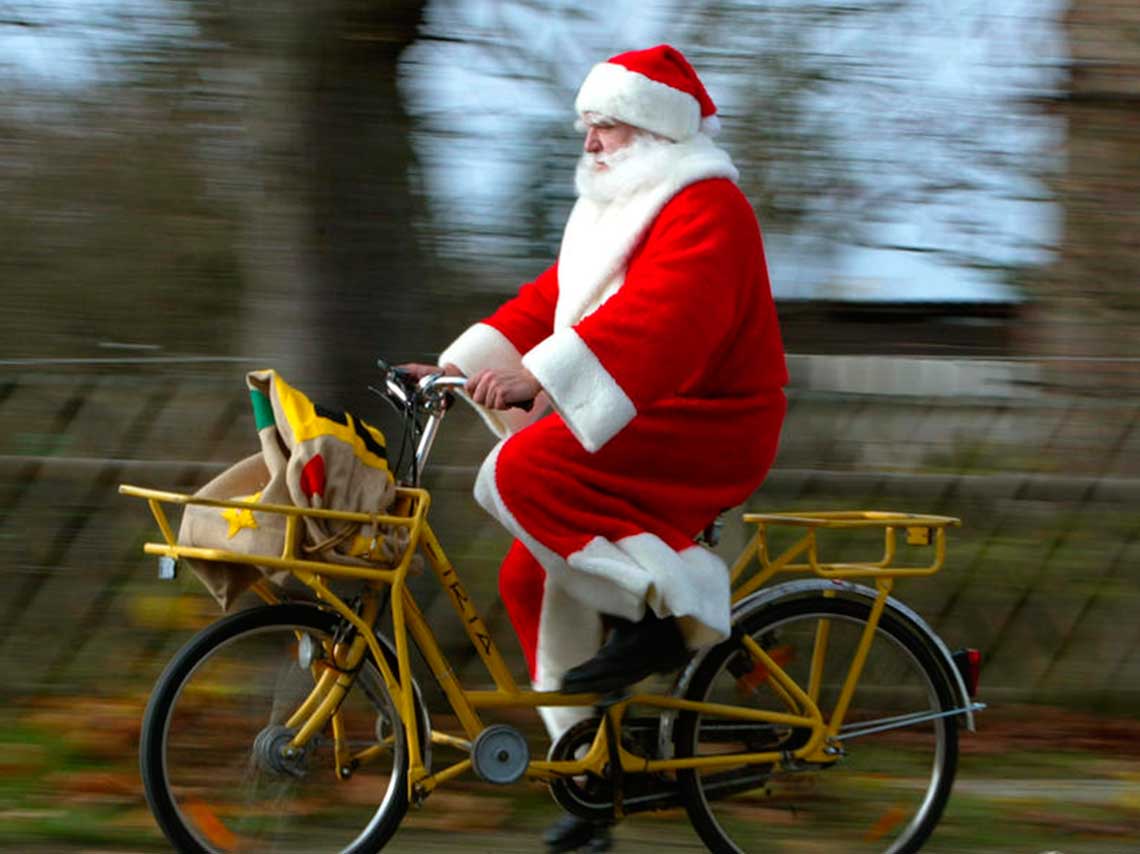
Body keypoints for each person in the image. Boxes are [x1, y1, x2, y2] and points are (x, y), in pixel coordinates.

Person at [402, 44, 787, 851]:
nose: (589, 143)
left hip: (711, 420)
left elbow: (666, 324)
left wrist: (542, 383)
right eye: (587, 126)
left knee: (523, 469)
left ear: (651, 128)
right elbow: (551, 305)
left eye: (604, 125)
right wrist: (454, 368)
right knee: (529, 575)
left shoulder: (706, 207)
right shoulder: (619, 211)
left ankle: (683, 613)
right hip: (650, 416)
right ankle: (592, 783)